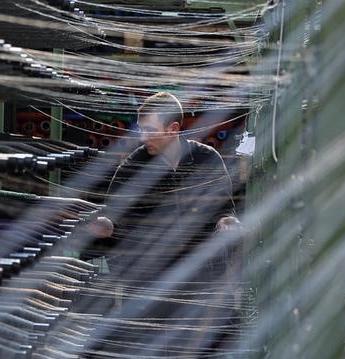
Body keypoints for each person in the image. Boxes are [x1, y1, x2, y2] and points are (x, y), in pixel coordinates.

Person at [85, 91, 238, 272]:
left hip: (201, 272)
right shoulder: (133, 167)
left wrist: (227, 220)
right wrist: (107, 226)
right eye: (141, 130)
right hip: (150, 277)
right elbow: (116, 216)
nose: (143, 138)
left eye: (150, 130)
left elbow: (224, 208)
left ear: (173, 128)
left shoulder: (207, 158)